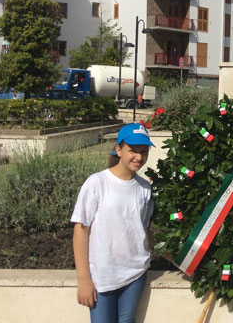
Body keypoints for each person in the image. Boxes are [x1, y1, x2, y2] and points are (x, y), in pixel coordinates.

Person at [71, 123, 155, 322]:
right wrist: (83, 278)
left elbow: (143, 228)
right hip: (102, 275)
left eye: (144, 152)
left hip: (135, 272)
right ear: (118, 149)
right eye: (132, 151)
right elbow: (81, 230)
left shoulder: (145, 188)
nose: (139, 157)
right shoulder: (97, 182)